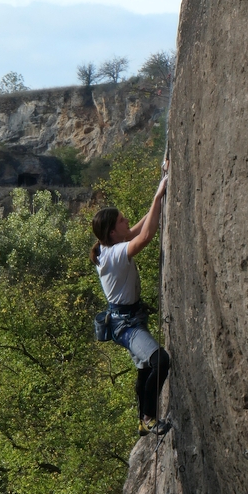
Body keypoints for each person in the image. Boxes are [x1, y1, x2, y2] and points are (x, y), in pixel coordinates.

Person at [91, 170, 170, 435]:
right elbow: (145, 237)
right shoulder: (113, 255)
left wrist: (160, 192)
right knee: (161, 360)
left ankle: (141, 421)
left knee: (144, 368)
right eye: (122, 221)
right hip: (126, 326)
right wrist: (159, 195)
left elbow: (138, 229)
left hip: (127, 319)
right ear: (113, 232)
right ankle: (148, 417)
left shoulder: (107, 246)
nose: (128, 223)